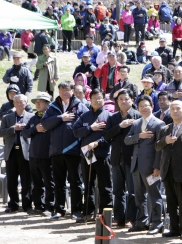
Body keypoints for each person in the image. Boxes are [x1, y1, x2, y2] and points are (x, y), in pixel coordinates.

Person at [41, 81, 89, 220]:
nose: (64, 92)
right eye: (61, 90)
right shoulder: (53, 106)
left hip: (74, 150)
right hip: (56, 150)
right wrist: (61, 118)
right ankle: (59, 210)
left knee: (75, 182)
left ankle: (76, 210)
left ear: (72, 90)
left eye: (67, 90)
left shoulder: (80, 106)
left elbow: (84, 125)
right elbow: (45, 123)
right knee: (59, 183)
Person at [154, 100, 182, 239]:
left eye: (178, 108)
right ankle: (174, 227)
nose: (175, 111)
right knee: (171, 201)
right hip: (167, 170)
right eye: (173, 109)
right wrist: (165, 141)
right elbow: (157, 147)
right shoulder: (164, 129)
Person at [124, 95, 165, 234]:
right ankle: (142, 221)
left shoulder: (159, 124)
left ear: (152, 107)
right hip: (136, 165)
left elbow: (160, 148)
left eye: (146, 105)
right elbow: (127, 140)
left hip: (151, 167)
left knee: (154, 195)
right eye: (140, 106)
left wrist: (157, 166)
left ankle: (157, 222)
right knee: (139, 195)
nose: (143, 108)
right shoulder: (136, 124)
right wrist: (139, 136)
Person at [72, 88, 113, 223]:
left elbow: (109, 136)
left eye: (100, 97)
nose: (97, 100)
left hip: (102, 155)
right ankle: (88, 213)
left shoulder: (109, 116)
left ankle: (105, 214)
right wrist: (91, 128)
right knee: (88, 184)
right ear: (90, 99)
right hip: (87, 155)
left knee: (105, 185)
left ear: (104, 99)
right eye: (94, 98)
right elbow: (76, 132)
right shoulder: (85, 116)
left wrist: (97, 143)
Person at [103, 89, 141, 228]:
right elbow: (106, 135)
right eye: (120, 99)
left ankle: (131, 218)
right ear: (117, 102)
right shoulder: (113, 118)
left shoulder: (137, 116)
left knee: (131, 190)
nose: (123, 101)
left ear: (132, 100)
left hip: (131, 158)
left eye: (126, 99)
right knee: (117, 190)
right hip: (115, 158)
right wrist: (120, 126)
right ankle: (119, 217)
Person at [0, 94, 33, 213]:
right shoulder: (7, 118)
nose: (19, 104)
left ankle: (27, 205)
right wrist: (13, 128)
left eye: (22, 102)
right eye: (16, 102)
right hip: (11, 151)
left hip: (26, 152)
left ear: (26, 104)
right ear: (13, 104)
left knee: (26, 180)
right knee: (11, 179)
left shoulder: (31, 117)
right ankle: (13, 204)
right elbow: (0, 133)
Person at [21, 93, 53, 216]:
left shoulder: (51, 118)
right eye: (36, 102)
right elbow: (25, 133)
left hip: (47, 156)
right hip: (33, 155)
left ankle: (49, 207)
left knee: (49, 183)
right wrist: (35, 129)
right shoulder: (33, 118)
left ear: (47, 104)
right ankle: (39, 206)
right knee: (37, 183)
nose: (38, 104)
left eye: (41, 101)